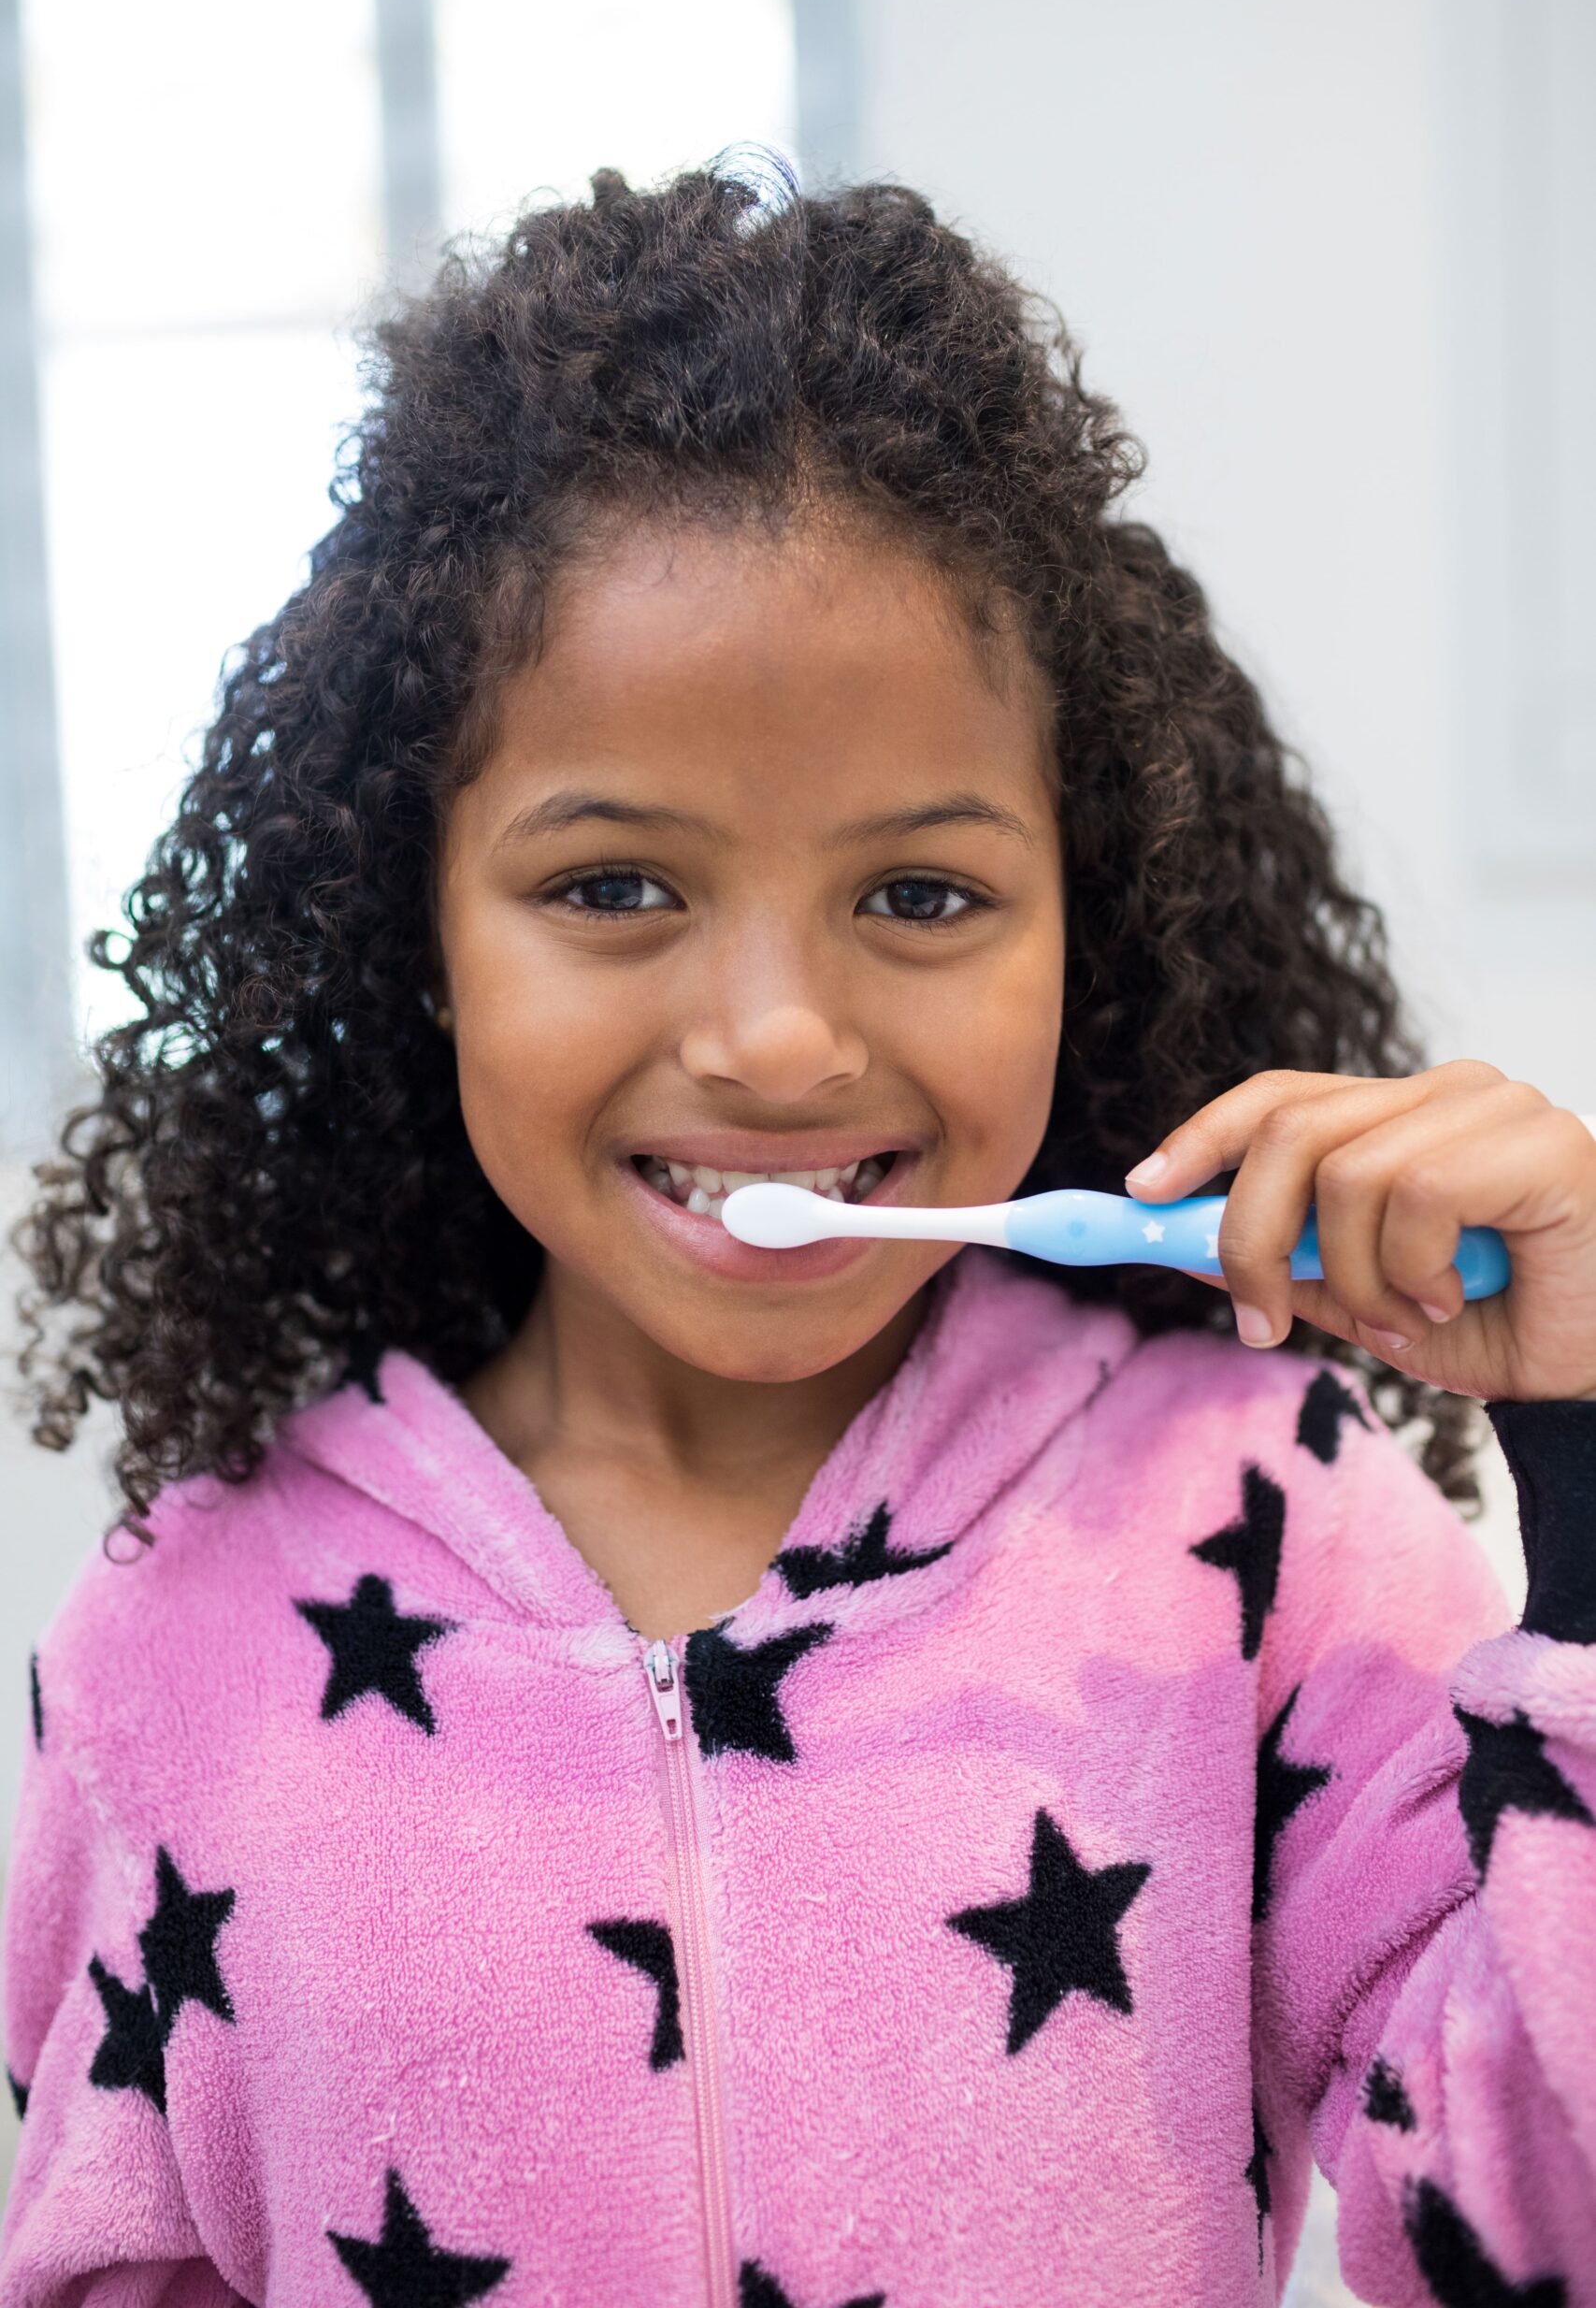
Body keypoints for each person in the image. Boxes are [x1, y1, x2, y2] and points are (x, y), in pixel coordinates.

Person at [3, 165, 1593, 2308]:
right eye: (613, 886)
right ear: (416, 932)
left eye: (920, 896)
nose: (773, 1037)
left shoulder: (1258, 1527)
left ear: (1080, 922)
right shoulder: (177, 1636)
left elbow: (1547, 2230)